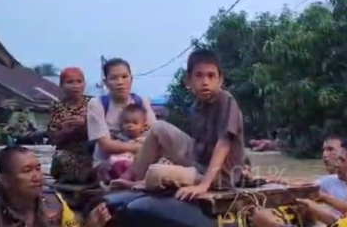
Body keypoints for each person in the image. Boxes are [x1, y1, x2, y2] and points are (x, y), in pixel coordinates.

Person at [114, 49, 245, 200]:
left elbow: (224, 144)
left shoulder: (226, 100)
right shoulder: (196, 107)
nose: (205, 82)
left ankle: (141, 183)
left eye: (211, 76)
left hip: (219, 176)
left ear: (220, 80)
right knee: (159, 127)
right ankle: (129, 176)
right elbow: (196, 144)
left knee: (156, 172)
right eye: (198, 76)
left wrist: (204, 185)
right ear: (188, 81)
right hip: (198, 162)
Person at [86, 58, 157, 172]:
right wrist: (142, 147)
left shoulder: (141, 102)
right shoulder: (97, 104)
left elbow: (154, 135)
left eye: (124, 77)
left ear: (131, 79)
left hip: (139, 159)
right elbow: (105, 145)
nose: (120, 82)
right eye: (113, 78)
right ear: (106, 82)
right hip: (107, 163)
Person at [47, 67, 94, 184]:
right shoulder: (57, 106)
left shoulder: (93, 104)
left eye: (79, 81)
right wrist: (65, 131)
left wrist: (85, 125)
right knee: (61, 157)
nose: (75, 86)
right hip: (66, 155)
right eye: (70, 82)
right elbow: (53, 138)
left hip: (90, 154)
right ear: (62, 85)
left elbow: (102, 133)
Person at [97, 104, 153, 182]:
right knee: (105, 165)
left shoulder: (144, 140)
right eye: (126, 122)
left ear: (143, 126)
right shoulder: (118, 138)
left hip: (133, 166)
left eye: (135, 123)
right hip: (116, 163)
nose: (130, 125)